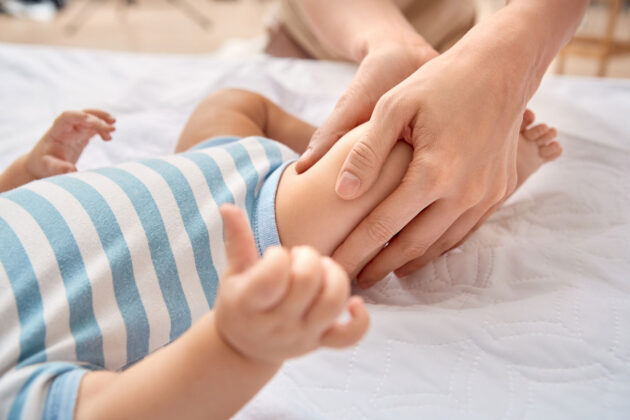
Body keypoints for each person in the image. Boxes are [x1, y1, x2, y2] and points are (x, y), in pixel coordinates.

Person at [0, 88, 560, 418]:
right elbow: (118, 410)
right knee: (407, 167)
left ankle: (324, 147)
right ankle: (500, 171)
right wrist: (236, 345)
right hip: (258, 222)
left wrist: (27, 172)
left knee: (234, 101)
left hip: (203, 161)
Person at [267, 0, 588, 288]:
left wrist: (510, 65)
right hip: (311, 38)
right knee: (359, 180)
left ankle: (474, 159)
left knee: (400, 162)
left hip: (456, 49)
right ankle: (471, 162)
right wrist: (394, 45)